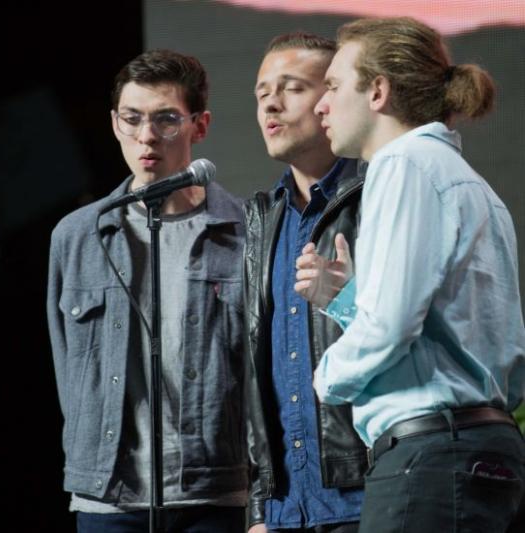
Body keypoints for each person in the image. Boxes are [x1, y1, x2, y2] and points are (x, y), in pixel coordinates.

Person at [295, 17, 525, 532]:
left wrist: (323, 379)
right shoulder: (469, 184)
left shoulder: (404, 164)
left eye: (333, 86)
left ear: (378, 91)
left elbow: (393, 326)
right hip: (481, 451)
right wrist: (350, 299)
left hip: (431, 459)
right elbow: (452, 337)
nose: (321, 104)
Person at [47, 49, 248, 532]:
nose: (146, 136)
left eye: (166, 120)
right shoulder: (78, 235)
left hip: (212, 492)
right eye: (132, 119)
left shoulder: (244, 229)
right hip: (108, 497)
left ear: (200, 126)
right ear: (115, 123)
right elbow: (64, 363)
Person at [244, 32, 368, 533]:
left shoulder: (376, 195)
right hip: (285, 511)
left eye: (291, 87)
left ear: (330, 99)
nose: (271, 103)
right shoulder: (261, 218)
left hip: (364, 497)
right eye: (261, 92)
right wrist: (259, 507)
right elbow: (257, 373)